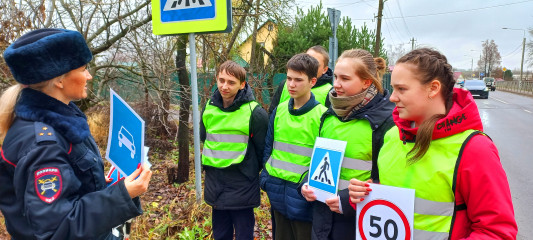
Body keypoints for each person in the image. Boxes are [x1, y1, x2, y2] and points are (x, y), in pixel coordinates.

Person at [349, 48, 518, 239]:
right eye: (393, 88)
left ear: (434, 88)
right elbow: (400, 195)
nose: (392, 97)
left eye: (401, 89)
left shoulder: (475, 148)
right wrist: (367, 193)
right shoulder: (392, 135)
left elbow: (497, 232)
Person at [0, 28, 152, 239]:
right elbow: (58, 229)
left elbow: (76, 194)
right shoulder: (43, 146)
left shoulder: (62, 121)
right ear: (59, 80)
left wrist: (113, 193)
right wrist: (123, 195)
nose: (89, 76)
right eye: (83, 69)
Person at [300, 49, 395, 240]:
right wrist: (304, 184)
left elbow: (391, 182)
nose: (336, 84)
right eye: (335, 76)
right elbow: (317, 165)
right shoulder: (329, 115)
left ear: (366, 82)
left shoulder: (387, 122)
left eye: (344, 78)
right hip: (322, 220)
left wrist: (346, 201)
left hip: (360, 223)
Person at [261, 53, 327, 240]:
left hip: (304, 199)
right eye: (289, 78)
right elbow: (269, 147)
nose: (291, 84)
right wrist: (265, 178)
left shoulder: (322, 116)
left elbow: (323, 162)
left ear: (312, 81)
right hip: (277, 193)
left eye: (298, 80)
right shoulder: (279, 110)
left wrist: (308, 187)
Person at [200, 60, 268, 240]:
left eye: (231, 82)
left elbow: (263, 151)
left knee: (244, 235)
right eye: (221, 80)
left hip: (242, 186)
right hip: (216, 184)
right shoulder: (209, 108)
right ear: (216, 79)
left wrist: (248, 170)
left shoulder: (255, 113)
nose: (225, 86)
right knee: (220, 235)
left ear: (242, 84)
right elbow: (204, 138)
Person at [269, 46, 333, 113]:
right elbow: (272, 113)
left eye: (316, 64)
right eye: (306, 61)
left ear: (325, 69)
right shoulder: (284, 84)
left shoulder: (330, 93)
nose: (309, 65)